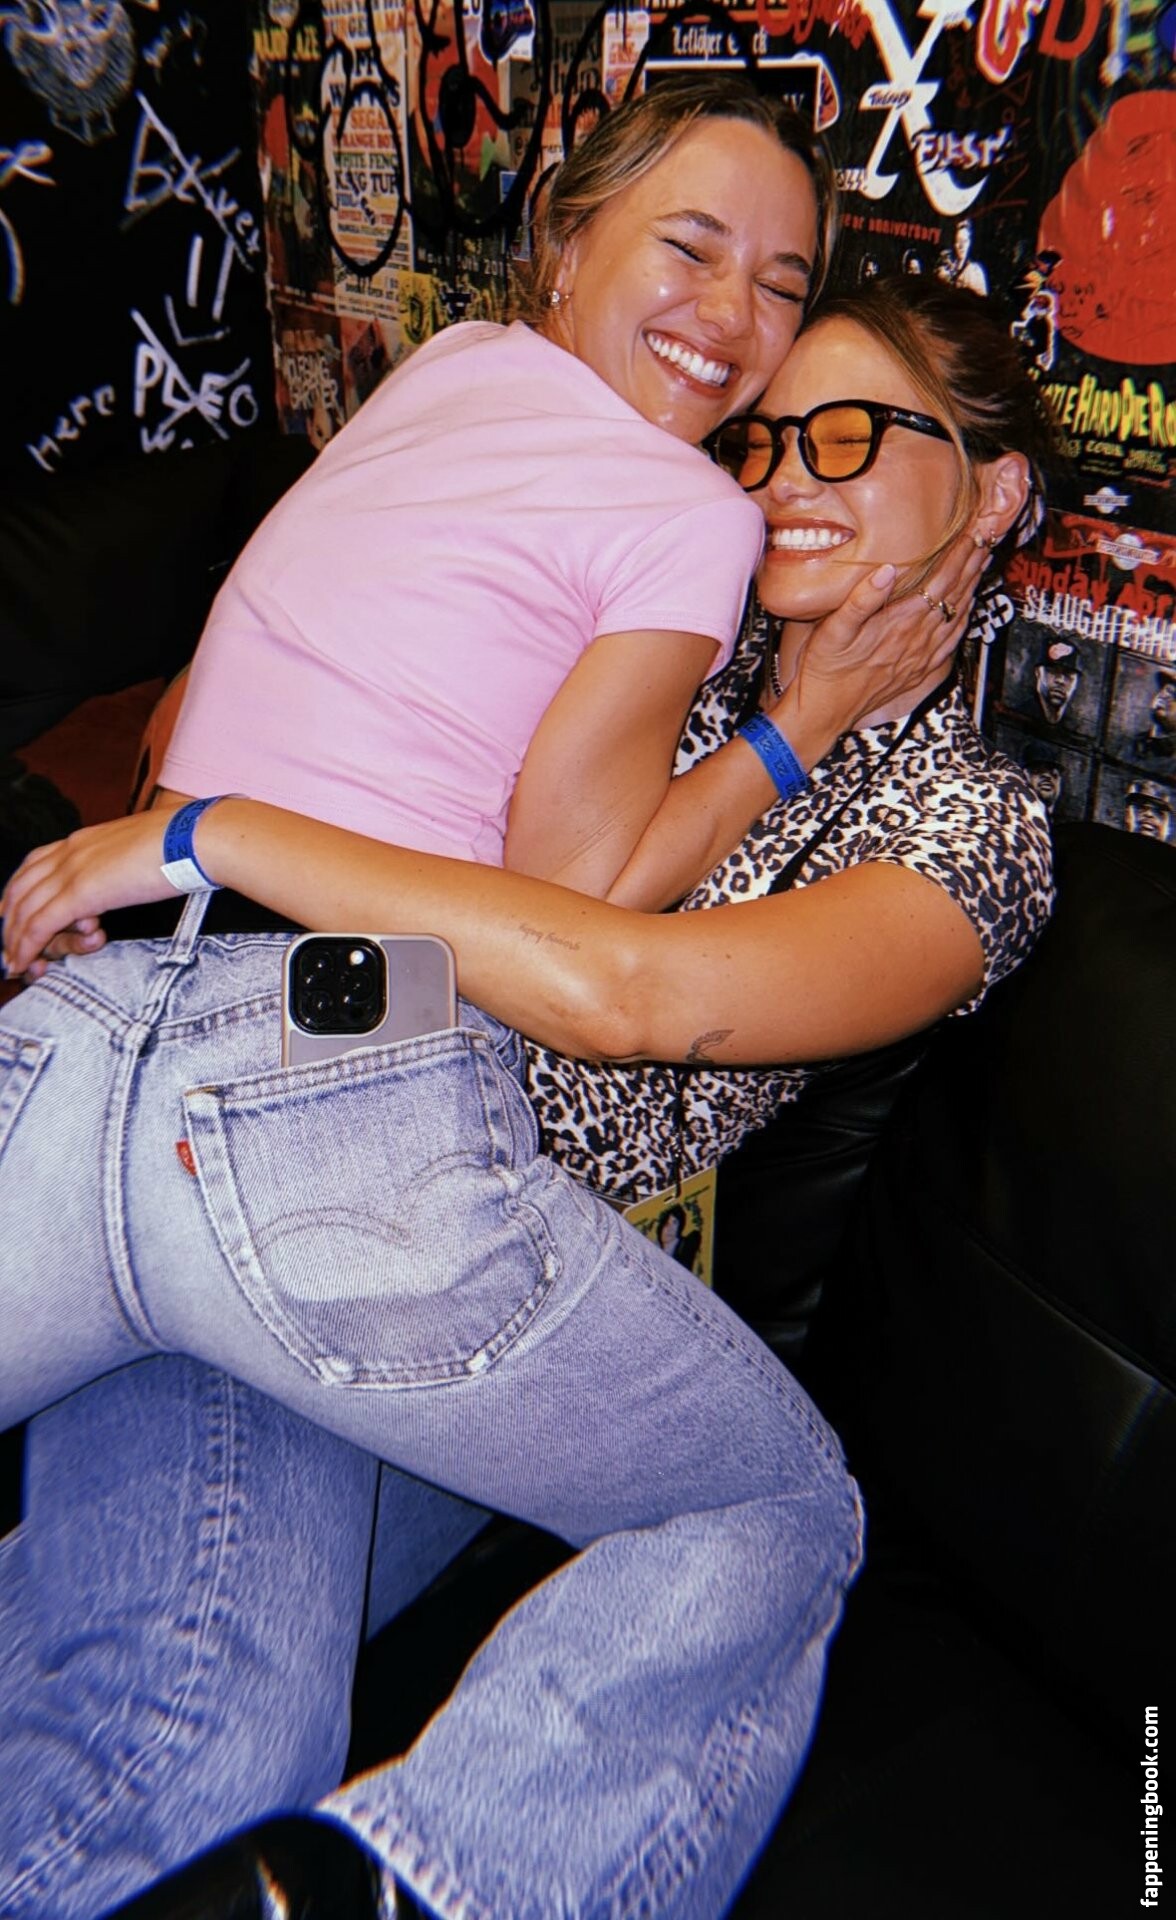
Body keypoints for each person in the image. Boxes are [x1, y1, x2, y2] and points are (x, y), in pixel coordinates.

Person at [0, 275, 1056, 1920]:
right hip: (308, 1137)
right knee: (199, 1740)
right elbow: (370, 823)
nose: (785, 476)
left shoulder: (970, 824)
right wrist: (216, 914)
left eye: (848, 435)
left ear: (995, 495)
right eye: (768, 436)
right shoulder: (664, 631)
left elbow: (636, 996)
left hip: (471, 1286)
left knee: (200, 1738)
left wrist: (225, 840)